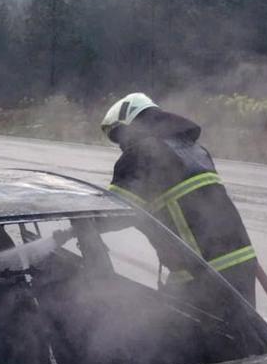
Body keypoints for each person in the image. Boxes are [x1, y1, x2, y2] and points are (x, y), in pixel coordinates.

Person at [101, 93, 258, 307]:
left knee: (174, 336)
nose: (121, 146)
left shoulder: (140, 154)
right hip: (242, 262)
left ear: (130, 126)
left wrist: (71, 227)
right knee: (242, 336)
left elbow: (110, 212)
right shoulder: (196, 150)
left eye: (119, 136)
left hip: (200, 274)